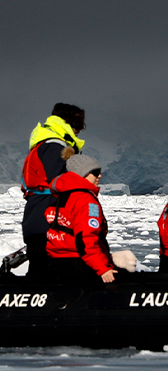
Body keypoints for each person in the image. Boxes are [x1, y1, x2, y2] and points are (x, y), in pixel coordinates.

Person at [21, 103, 86, 280]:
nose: (79, 131)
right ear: (68, 124)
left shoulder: (44, 143)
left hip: (36, 216)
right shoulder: (55, 146)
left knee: (39, 270)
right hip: (48, 219)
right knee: (49, 273)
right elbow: (61, 182)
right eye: (77, 125)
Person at [44, 153, 118, 284]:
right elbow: (86, 239)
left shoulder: (60, 196)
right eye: (95, 172)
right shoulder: (85, 200)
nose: (99, 176)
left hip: (54, 263)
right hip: (79, 265)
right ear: (83, 174)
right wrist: (102, 268)